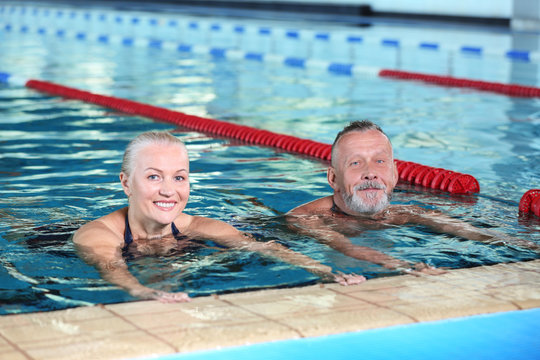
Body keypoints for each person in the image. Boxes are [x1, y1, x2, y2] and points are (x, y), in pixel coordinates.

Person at [73, 131, 365, 303]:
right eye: (153, 177)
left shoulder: (198, 225)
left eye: (179, 178)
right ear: (126, 183)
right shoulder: (97, 235)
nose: (168, 191)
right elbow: (111, 267)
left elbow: (263, 247)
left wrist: (324, 271)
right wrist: (142, 292)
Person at [287, 120, 539, 275]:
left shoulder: (406, 213)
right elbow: (345, 246)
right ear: (333, 179)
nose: (370, 173)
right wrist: (405, 267)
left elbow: (476, 233)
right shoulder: (307, 219)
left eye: (380, 161)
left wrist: (528, 246)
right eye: (355, 163)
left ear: (395, 174)